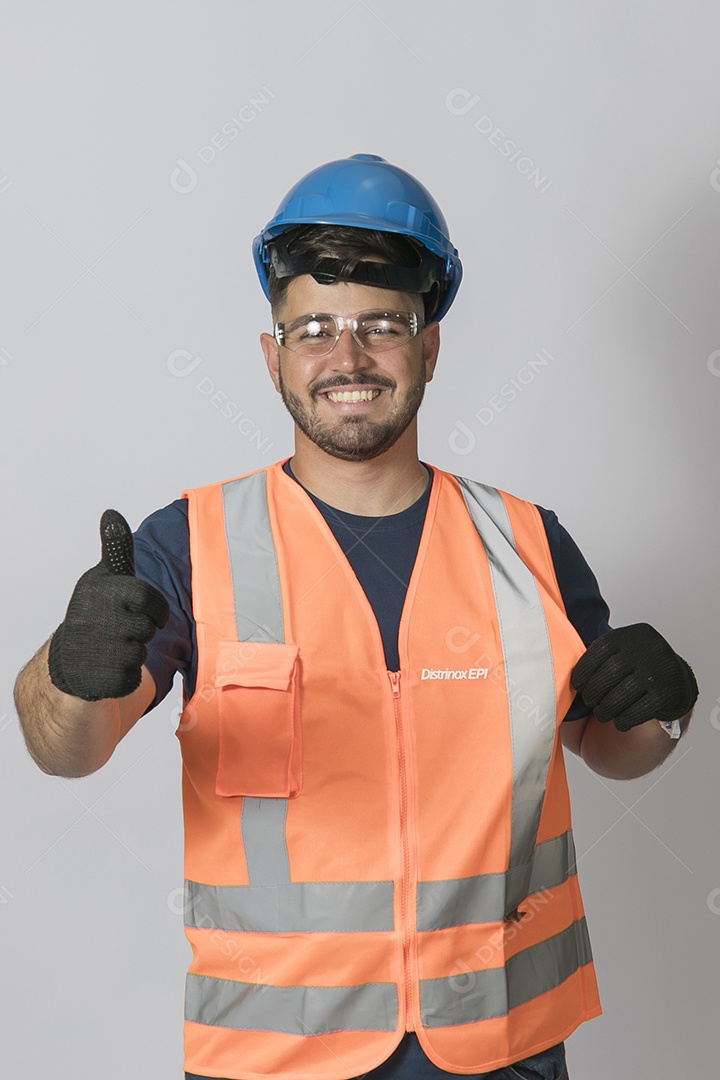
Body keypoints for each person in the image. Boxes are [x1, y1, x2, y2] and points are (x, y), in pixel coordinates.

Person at [14, 154, 698, 1080]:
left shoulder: (530, 542)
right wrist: (67, 668)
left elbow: (611, 747)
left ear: (430, 345)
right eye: (314, 330)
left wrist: (663, 710)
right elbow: (67, 747)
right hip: (276, 1056)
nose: (347, 358)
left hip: (503, 1047)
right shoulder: (189, 544)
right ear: (273, 357)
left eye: (382, 325)